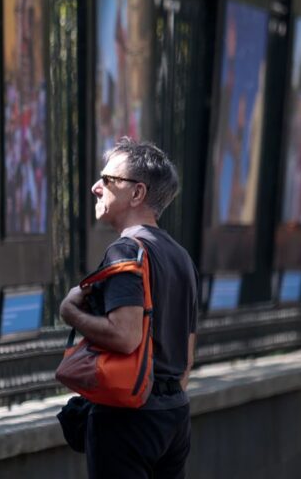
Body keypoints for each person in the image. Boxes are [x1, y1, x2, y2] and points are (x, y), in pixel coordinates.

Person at [60, 137, 198, 479]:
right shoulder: (180, 257)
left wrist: (70, 312)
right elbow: (188, 356)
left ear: (137, 193)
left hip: (129, 415)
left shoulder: (126, 251)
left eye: (107, 180)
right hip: (174, 414)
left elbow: (125, 336)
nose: (95, 187)